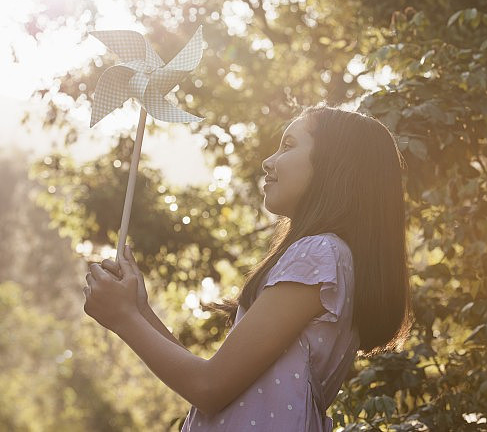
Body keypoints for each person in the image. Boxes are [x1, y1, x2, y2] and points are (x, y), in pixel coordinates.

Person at [83, 103, 414, 431]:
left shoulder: (319, 254)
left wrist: (124, 318)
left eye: (288, 145)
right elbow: (217, 381)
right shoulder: (331, 257)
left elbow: (208, 388)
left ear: (335, 165)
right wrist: (139, 310)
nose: (268, 161)